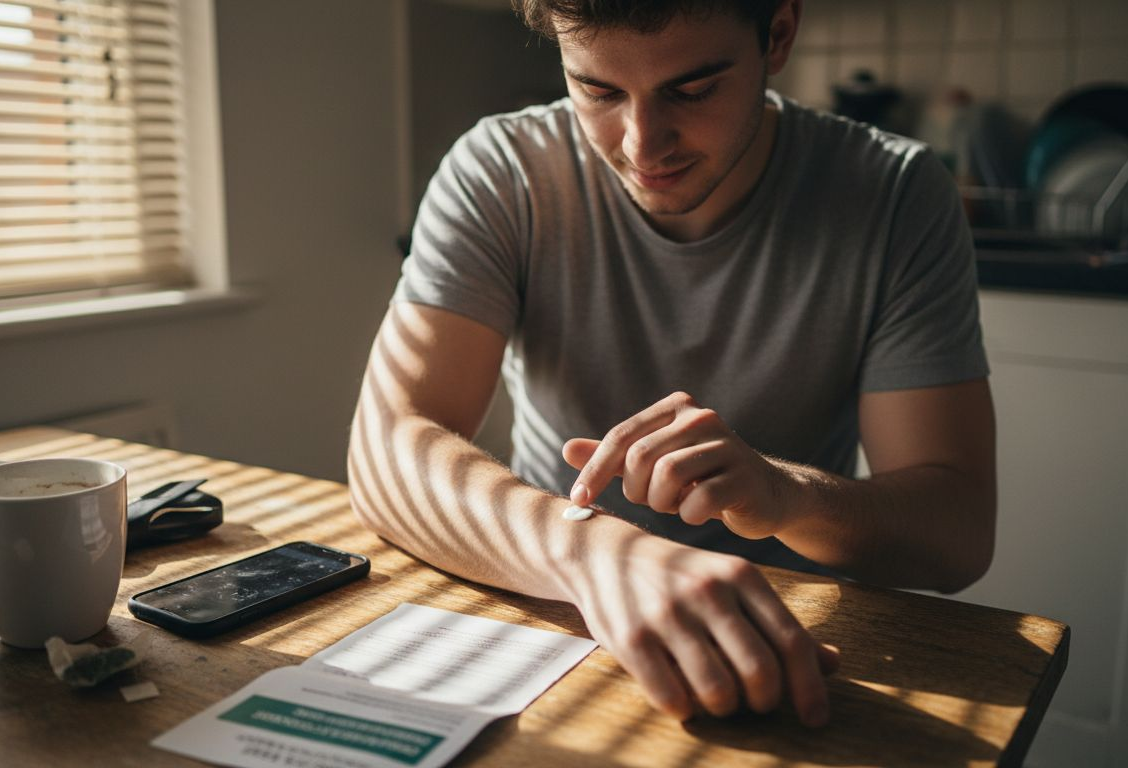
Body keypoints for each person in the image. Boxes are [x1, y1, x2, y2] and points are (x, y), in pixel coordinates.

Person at [347, 0, 996, 728]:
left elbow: (959, 533)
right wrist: (596, 557)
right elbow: (387, 449)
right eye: (598, 91)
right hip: (549, 607)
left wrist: (790, 496)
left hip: (792, 642)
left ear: (778, 34)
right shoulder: (503, 170)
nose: (641, 145)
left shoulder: (896, 193)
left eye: (692, 90)